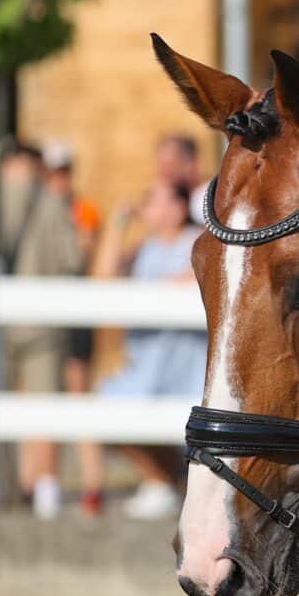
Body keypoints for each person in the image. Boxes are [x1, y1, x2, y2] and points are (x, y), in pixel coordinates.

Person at [92, 179, 207, 519]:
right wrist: (117, 225)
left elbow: (196, 278)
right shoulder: (144, 248)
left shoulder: (196, 244)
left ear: (176, 208)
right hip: (145, 368)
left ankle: (169, 484)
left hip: (185, 367)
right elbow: (102, 280)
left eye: (154, 199)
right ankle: (165, 480)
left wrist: (145, 291)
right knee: (103, 414)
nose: (146, 206)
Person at [0, 141, 84, 518]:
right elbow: (72, 259)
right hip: (43, 323)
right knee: (45, 402)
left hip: (11, 323)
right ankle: (45, 492)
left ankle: (12, 488)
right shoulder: (52, 202)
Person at [41, 140, 105, 516]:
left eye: (62, 172)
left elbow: (80, 256)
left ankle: (91, 483)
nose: (58, 180)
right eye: (53, 174)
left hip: (73, 315)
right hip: (46, 314)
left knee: (79, 394)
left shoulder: (82, 210)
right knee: (41, 396)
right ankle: (42, 483)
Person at [155, 133, 207, 225]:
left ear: (190, 164)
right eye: (161, 165)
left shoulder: (207, 201)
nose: (163, 174)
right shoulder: (181, 199)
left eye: (169, 165)